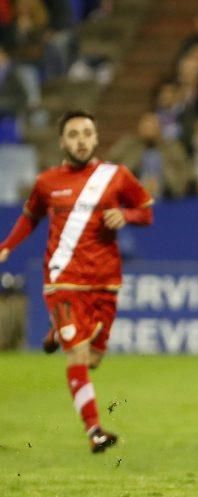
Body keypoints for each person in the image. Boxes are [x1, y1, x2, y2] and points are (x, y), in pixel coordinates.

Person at [0, 110, 154, 453]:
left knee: (95, 358)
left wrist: (125, 215)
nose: (81, 140)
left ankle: (57, 330)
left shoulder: (116, 176)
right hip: (63, 279)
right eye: (73, 134)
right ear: (62, 142)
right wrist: (7, 246)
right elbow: (30, 217)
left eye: (87, 133)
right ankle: (94, 431)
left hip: (105, 280)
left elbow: (146, 210)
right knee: (79, 356)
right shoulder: (46, 183)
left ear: (96, 138)